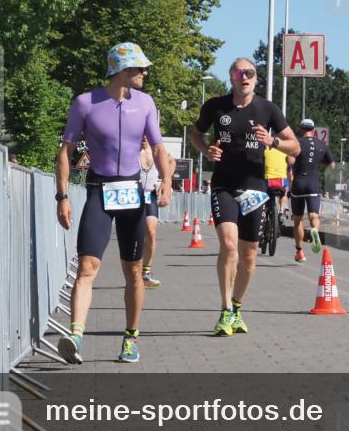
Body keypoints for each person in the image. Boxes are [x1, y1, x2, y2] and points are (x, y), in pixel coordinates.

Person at [55, 43, 173, 364]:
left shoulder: (146, 103)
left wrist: (165, 181)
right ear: (122, 70)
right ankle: (76, 337)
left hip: (132, 193)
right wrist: (62, 195)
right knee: (87, 266)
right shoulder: (85, 103)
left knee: (133, 271)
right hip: (99, 189)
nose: (145, 74)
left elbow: (160, 147)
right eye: (139, 69)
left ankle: (130, 339)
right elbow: (64, 151)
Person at [190, 57, 299, 336]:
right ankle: (225, 310)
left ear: (256, 79)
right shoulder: (215, 106)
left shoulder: (267, 109)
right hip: (223, 184)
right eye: (239, 73)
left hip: (255, 187)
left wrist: (272, 141)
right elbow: (196, 135)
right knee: (228, 244)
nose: (244, 77)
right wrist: (206, 151)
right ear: (231, 77)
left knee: (248, 256)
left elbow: (295, 147)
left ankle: (237, 307)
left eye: (249, 73)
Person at [288, 119, 336, 262]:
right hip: (313, 183)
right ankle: (314, 230)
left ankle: (299, 252)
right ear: (314, 130)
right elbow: (332, 165)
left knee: (297, 219)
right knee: (314, 216)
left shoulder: (297, 143)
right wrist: (319, 162)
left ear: (301, 130)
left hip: (298, 183)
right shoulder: (322, 145)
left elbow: (290, 161)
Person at [139, 137, 162, 288]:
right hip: (133, 195)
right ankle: (133, 269)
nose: (144, 138)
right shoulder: (132, 150)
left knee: (151, 233)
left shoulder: (156, 149)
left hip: (150, 195)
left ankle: (146, 272)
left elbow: (171, 162)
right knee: (134, 235)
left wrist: (165, 182)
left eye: (146, 135)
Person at [264, 143, 289, 225]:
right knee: (285, 191)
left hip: (268, 180)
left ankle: (264, 214)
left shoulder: (265, 149)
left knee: (266, 194)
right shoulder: (285, 150)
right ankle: (281, 211)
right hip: (281, 180)